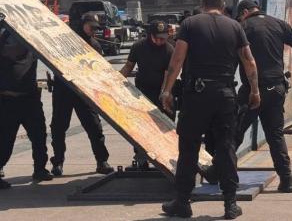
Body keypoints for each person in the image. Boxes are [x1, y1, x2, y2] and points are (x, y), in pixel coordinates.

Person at [158, 0, 260, 219]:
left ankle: (182, 202)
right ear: (223, 5)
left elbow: (177, 58)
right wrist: (255, 91)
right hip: (225, 95)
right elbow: (249, 61)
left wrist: (167, 90)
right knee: (226, 147)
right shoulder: (235, 26)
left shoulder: (190, 24)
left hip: (196, 95)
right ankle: (230, 204)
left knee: (188, 149)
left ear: (202, 3)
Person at [234, 0, 292, 193]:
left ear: (244, 12)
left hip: (252, 91)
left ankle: (220, 173)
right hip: (276, 90)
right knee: (275, 136)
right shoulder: (278, 24)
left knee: (234, 133)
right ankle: (287, 180)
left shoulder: (242, 28)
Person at [49, 13, 113, 176]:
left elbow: (99, 70)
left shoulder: (95, 45)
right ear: (83, 24)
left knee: (94, 127)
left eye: (96, 28)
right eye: (91, 27)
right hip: (64, 90)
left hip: (84, 93)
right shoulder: (67, 40)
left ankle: (102, 161)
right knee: (58, 128)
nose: (93, 31)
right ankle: (58, 162)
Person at [0, 28, 54, 189]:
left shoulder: (31, 44)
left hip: (30, 99)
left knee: (39, 136)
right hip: (7, 101)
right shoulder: (3, 43)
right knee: (5, 141)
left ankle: (40, 169)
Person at [119, 20, 175, 169]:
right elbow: (128, 67)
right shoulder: (138, 47)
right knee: (141, 127)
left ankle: (165, 159)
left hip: (161, 92)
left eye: (164, 38)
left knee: (164, 127)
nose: (161, 41)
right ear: (151, 35)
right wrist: (115, 80)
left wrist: (164, 94)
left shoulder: (169, 49)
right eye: (159, 38)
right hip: (142, 92)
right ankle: (141, 158)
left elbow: (168, 74)